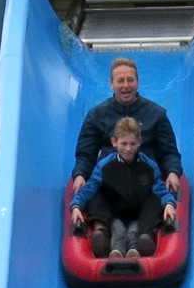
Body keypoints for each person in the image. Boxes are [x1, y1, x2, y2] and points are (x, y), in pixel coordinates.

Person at [72, 57, 183, 194]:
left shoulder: (156, 115)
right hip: (110, 181)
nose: (126, 85)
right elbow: (85, 154)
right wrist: (80, 175)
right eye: (120, 80)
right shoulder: (97, 116)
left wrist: (172, 172)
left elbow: (169, 152)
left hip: (145, 180)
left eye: (130, 80)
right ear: (111, 84)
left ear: (137, 83)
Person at [70, 117, 177, 259]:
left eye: (133, 144)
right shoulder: (105, 166)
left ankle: (138, 249)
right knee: (118, 230)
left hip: (138, 212)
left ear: (139, 142)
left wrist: (169, 203)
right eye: (124, 143)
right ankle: (112, 251)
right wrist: (76, 206)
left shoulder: (149, 166)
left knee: (134, 230)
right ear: (114, 142)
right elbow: (89, 189)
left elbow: (161, 189)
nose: (128, 148)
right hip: (115, 211)